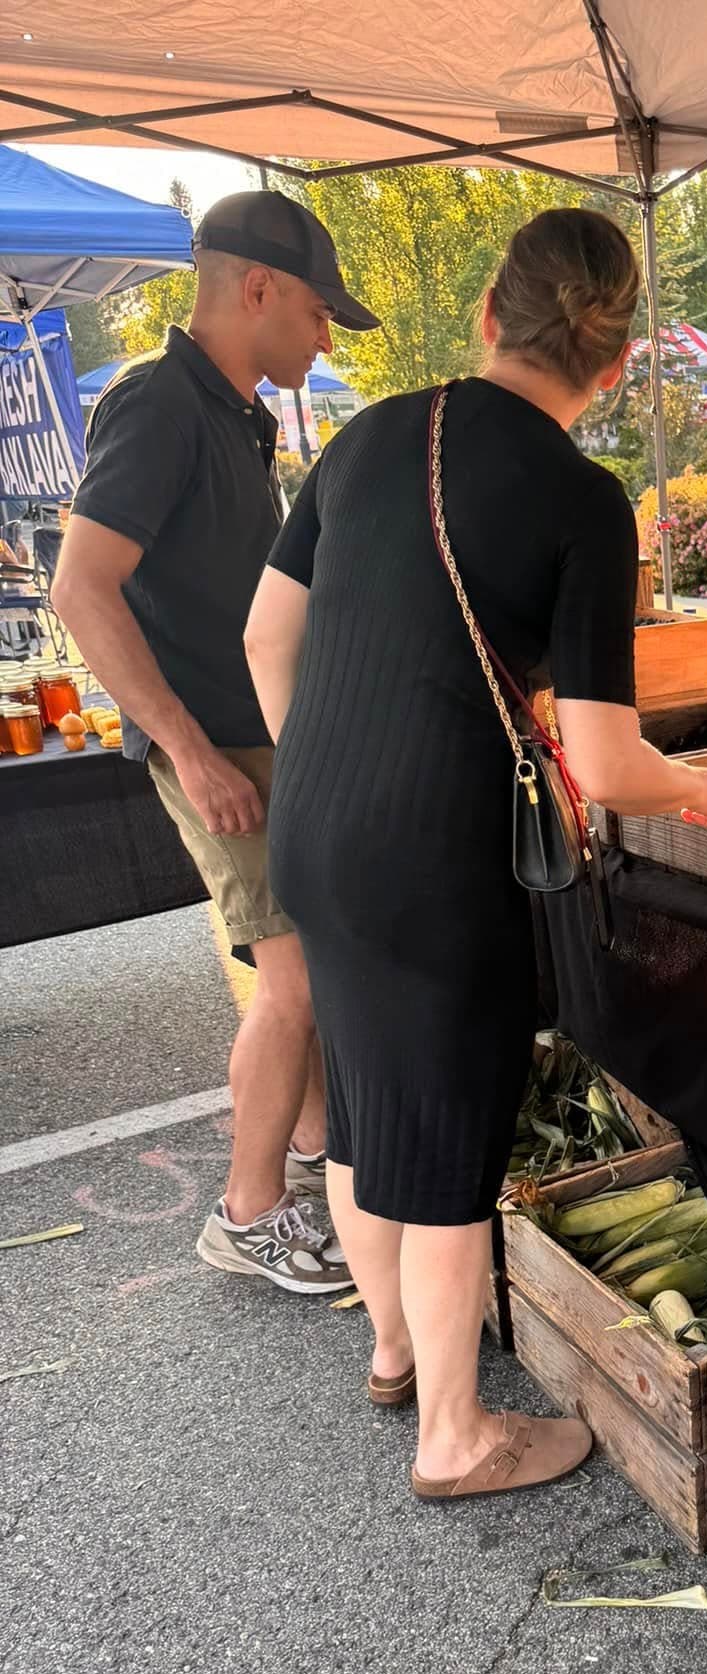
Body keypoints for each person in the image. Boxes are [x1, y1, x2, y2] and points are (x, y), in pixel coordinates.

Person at [243, 208, 707, 1502]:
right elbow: (614, 766)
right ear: (617, 361)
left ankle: (395, 1352)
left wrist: (332, 772)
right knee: (451, 1134)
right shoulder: (583, 500)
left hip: (313, 823)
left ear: (485, 318)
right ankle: (454, 1435)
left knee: (362, 1098)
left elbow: (261, 639)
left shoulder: (364, 436)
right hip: (436, 853)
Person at [53, 191, 380, 1294]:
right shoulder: (157, 403)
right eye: (321, 312)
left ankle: (320, 1159)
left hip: (257, 736)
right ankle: (246, 1216)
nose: (326, 336)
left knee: (311, 971)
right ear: (258, 289)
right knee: (287, 984)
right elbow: (80, 587)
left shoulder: (236, 412)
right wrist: (188, 750)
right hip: (215, 748)